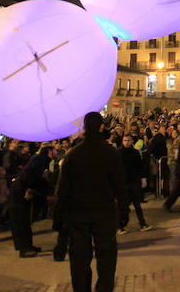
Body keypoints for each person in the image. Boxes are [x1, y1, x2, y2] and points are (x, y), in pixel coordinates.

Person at [55, 112, 128, 292]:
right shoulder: (110, 153)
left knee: (79, 260)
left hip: (78, 213)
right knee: (106, 259)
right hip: (104, 212)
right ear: (101, 127)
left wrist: (58, 217)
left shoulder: (73, 155)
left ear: (85, 128)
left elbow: (62, 189)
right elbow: (120, 184)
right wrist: (124, 210)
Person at [9, 146, 54, 257]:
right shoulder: (39, 160)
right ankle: (24, 248)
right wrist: (29, 189)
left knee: (26, 220)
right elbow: (30, 176)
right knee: (21, 219)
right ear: (49, 151)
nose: (56, 152)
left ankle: (28, 245)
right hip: (21, 192)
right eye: (55, 150)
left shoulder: (40, 160)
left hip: (22, 190)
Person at [117, 135, 150, 233]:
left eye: (128, 140)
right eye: (125, 140)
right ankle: (119, 226)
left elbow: (140, 166)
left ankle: (142, 224)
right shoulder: (118, 153)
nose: (126, 142)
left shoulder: (135, 153)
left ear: (132, 141)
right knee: (124, 206)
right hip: (124, 183)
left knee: (137, 204)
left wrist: (143, 177)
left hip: (134, 181)